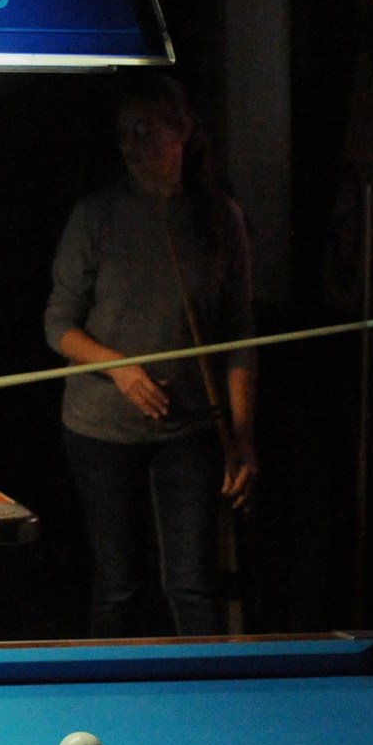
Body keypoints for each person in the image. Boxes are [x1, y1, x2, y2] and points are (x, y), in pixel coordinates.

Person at [43, 76, 258, 637]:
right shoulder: (97, 215)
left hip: (189, 428)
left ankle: (211, 707)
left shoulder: (218, 217)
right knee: (119, 583)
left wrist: (241, 436)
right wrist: (118, 367)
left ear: (183, 130)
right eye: (124, 134)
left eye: (146, 131)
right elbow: (58, 326)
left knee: (191, 584)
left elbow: (238, 335)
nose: (132, 146)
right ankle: (107, 698)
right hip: (99, 427)